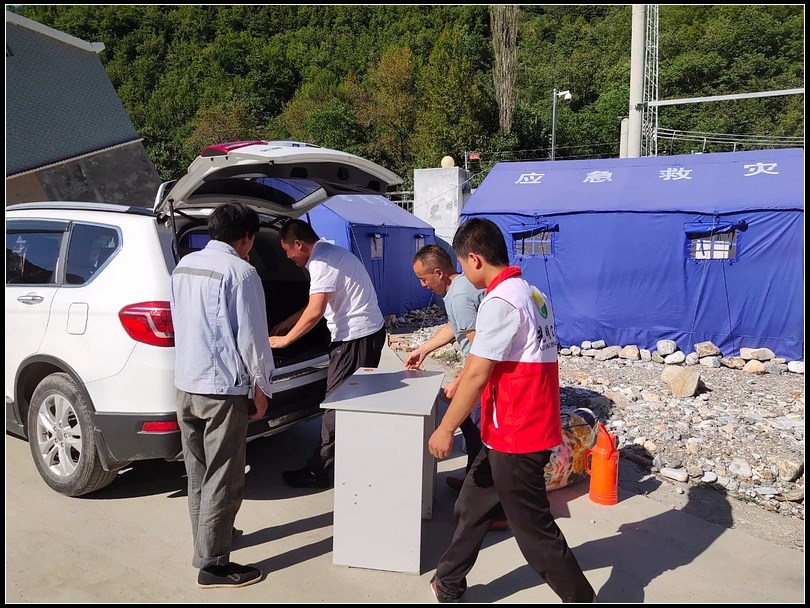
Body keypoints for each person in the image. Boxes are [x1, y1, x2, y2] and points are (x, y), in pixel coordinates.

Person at [428, 218, 596, 603]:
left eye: (461, 263)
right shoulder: (531, 293)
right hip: (510, 429)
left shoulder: (501, 301)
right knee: (471, 505)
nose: (461, 272)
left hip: (518, 435)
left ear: (474, 259)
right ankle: (448, 582)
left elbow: (478, 374)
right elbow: (493, 363)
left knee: (535, 534)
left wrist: (446, 428)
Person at [170, 202, 274, 590]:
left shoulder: (184, 266)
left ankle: (210, 539)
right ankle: (213, 565)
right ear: (246, 238)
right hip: (221, 391)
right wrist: (262, 387)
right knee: (225, 477)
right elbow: (253, 338)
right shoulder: (241, 272)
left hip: (186, 383)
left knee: (199, 472)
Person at [269, 218, 386, 488]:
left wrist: (285, 340)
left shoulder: (321, 262)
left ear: (299, 244)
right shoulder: (331, 254)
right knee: (356, 402)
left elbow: (316, 311)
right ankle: (355, 456)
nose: (288, 257)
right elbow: (318, 300)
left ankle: (320, 470)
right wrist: (288, 321)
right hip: (368, 334)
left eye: (287, 250)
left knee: (337, 405)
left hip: (354, 339)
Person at [406, 244, 508, 531]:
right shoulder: (459, 289)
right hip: (478, 373)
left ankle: (494, 510)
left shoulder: (460, 296)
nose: (423, 285)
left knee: (479, 440)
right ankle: (472, 483)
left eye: (424, 279)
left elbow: (479, 350)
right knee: (473, 436)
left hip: (483, 378)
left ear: (439, 273)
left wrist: (460, 383)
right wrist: (423, 349)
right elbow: (455, 327)